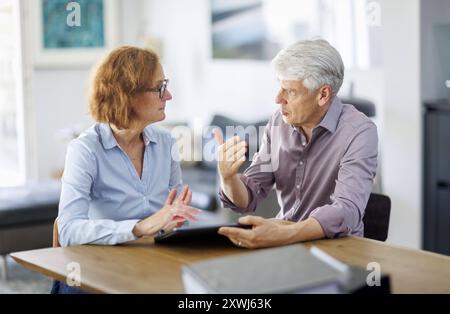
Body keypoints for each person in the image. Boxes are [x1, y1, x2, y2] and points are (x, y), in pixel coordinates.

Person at [52, 46, 201, 293]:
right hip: (96, 268)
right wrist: (139, 227)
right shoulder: (85, 149)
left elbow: (172, 214)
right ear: (127, 94)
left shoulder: (166, 143)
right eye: (159, 88)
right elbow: (68, 230)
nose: (169, 96)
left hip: (151, 264)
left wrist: (174, 220)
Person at [214, 39, 378, 249]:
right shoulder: (277, 122)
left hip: (338, 250)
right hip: (287, 246)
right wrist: (228, 178)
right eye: (280, 87)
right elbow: (248, 196)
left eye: (290, 91)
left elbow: (346, 210)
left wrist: (285, 233)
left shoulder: (360, 132)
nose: (278, 99)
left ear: (323, 94)